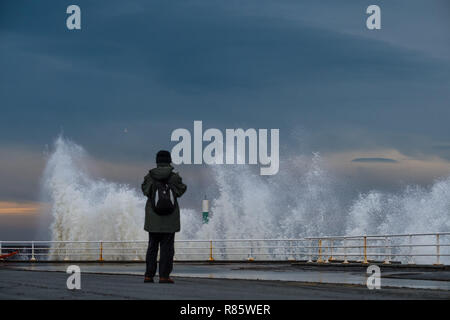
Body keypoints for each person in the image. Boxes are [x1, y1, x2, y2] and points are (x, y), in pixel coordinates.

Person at [141, 150, 187, 283]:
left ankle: (149, 275)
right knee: (167, 249)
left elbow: (145, 191)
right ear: (169, 160)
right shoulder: (174, 177)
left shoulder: (149, 177)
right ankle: (164, 276)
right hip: (170, 219)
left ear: (157, 161)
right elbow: (181, 190)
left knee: (152, 247)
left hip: (153, 218)